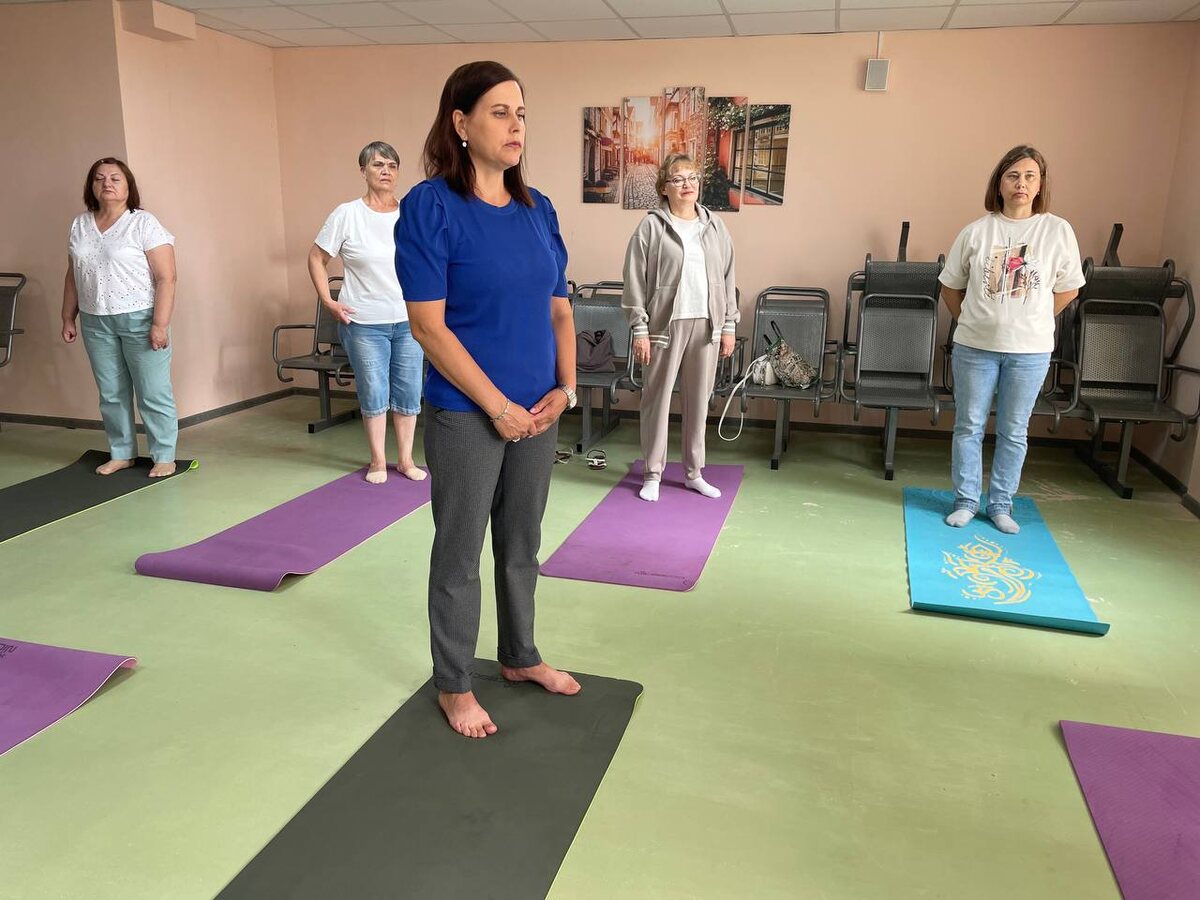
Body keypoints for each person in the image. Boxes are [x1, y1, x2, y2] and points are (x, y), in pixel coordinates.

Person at [395, 60, 580, 739]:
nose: (515, 125)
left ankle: (519, 656)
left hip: (538, 411)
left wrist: (565, 389)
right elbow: (428, 326)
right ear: (461, 123)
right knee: (460, 551)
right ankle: (453, 684)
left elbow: (560, 311)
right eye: (499, 112)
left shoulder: (539, 210)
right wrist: (497, 407)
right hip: (468, 414)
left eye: (521, 113)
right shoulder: (430, 207)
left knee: (522, 544)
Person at [939, 145, 1085, 534]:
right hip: (975, 348)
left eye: (1029, 176)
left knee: (1014, 430)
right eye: (1013, 176)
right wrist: (971, 320)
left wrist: (1036, 318)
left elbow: (1069, 288)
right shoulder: (976, 231)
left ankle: (1001, 504)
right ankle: (966, 501)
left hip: (1030, 351)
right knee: (969, 426)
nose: (1021, 183)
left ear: (1040, 185)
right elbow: (950, 287)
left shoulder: (1057, 230)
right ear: (1000, 184)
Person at [622, 152, 738, 503]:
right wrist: (639, 328)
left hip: (705, 325)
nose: (687, 184)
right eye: (678, 178)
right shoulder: (651, 227)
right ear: (664, 187)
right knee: (656, 401)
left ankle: (693, 473)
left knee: (698, 402)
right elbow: (634, 280)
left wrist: (728, 324)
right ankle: (652, 474)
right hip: (663, 326)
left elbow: (728, 277)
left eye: (692, 177)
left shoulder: (715, 226)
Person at [308, 141, 425, 484]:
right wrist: (327, 301)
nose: (385, 171)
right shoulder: (347, 214)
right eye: (377, 165)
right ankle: (377, 460)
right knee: (374, 391)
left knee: (408, 391)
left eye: (392, 165)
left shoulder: (410, 214)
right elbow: (316, 257)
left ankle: (405, 459)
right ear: (363, 171)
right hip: (363, 322)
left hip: (408, 320)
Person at [62, 158, 178, 477]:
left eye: (115, 178)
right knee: (111, 392)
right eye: (99, 178)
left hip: (140, 318)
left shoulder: (143, 223)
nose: (107, 183)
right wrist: (68, 316)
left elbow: (167, 277)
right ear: (92, 187)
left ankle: (164, 455)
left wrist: (160, 324)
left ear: (128, 186)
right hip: (95, 319)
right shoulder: (80, 224)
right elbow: (73, 274)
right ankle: (122, 452)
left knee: (152, 391)